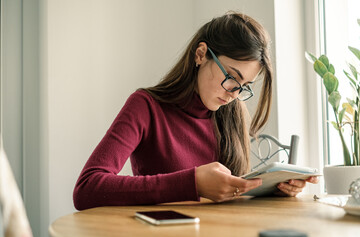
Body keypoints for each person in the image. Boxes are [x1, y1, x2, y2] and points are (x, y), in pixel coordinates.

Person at [73, 11, 318, 210]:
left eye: (243, 87)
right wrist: (193, 183)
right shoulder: (145, 106)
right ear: (201, 54)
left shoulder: (232, 113)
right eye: (232, 77)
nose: (234, 94)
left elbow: (231, 199)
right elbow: (87, 188)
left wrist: (271, 190)